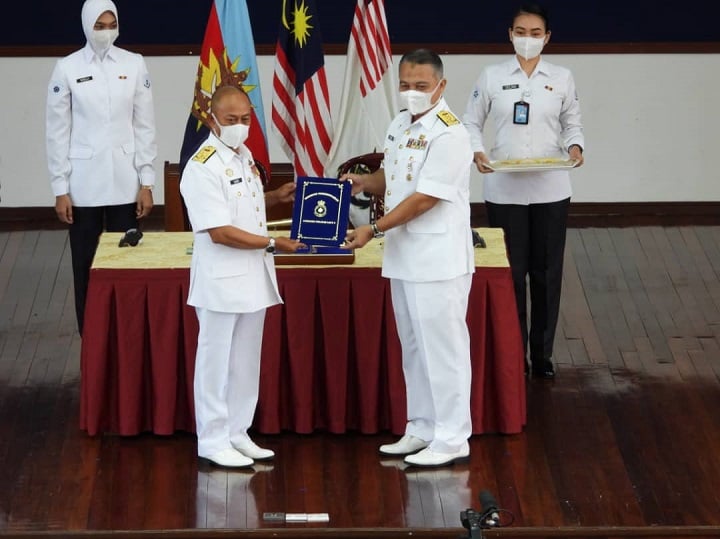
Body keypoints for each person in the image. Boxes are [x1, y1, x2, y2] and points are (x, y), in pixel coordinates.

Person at [342, 49, 475, 468]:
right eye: (405, 85)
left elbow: (425, 197)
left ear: (441, 86)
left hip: (437, 257)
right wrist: (366, 182)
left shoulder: (451, 133)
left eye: (421, 86)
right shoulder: (400, 123)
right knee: (414, 346)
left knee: (444, 348)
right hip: (404, 255)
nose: (412, 93)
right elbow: (397, 177)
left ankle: (453, 436)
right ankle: (421, 427)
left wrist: (374, 229)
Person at [180, 85, 305, 468]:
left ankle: (238, 431)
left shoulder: (243, 155)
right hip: (221, 280)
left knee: (246, 360)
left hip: (253, 276)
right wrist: (273, 242)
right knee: (215, 361)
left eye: (246, 119)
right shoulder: (202, 165)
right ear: (212, 119)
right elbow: (219, 230)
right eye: (231, 120)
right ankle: (213, 438)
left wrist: (274, 198)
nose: (239, 126)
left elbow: (240, 204)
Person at [462, 3, 585, 379]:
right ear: (509, 34)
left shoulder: (561, 77)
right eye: (520, 31)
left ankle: (543, 356)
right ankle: (514, 354)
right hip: (504, 189)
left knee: (547, 273)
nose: (527, 39)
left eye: (535, 33)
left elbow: (571, 123)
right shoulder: (492, 76)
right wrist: (477, 151)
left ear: (547, 38)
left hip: (551, 187)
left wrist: (576, 147)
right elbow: (470, 122)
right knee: (511, 274)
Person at [46, 0, 157, 334]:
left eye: (112, 25)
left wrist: (147, 181)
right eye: (99, 26)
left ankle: (128, 334)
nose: (106, 32)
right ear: (85, 26)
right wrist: (59, 188)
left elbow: (145, 126)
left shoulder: (134, 64)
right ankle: (91, 337)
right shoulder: (66, 68)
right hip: (82, 187)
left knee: (127, 262)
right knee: (85, 265)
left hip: (126, 182)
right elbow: (56, 132)